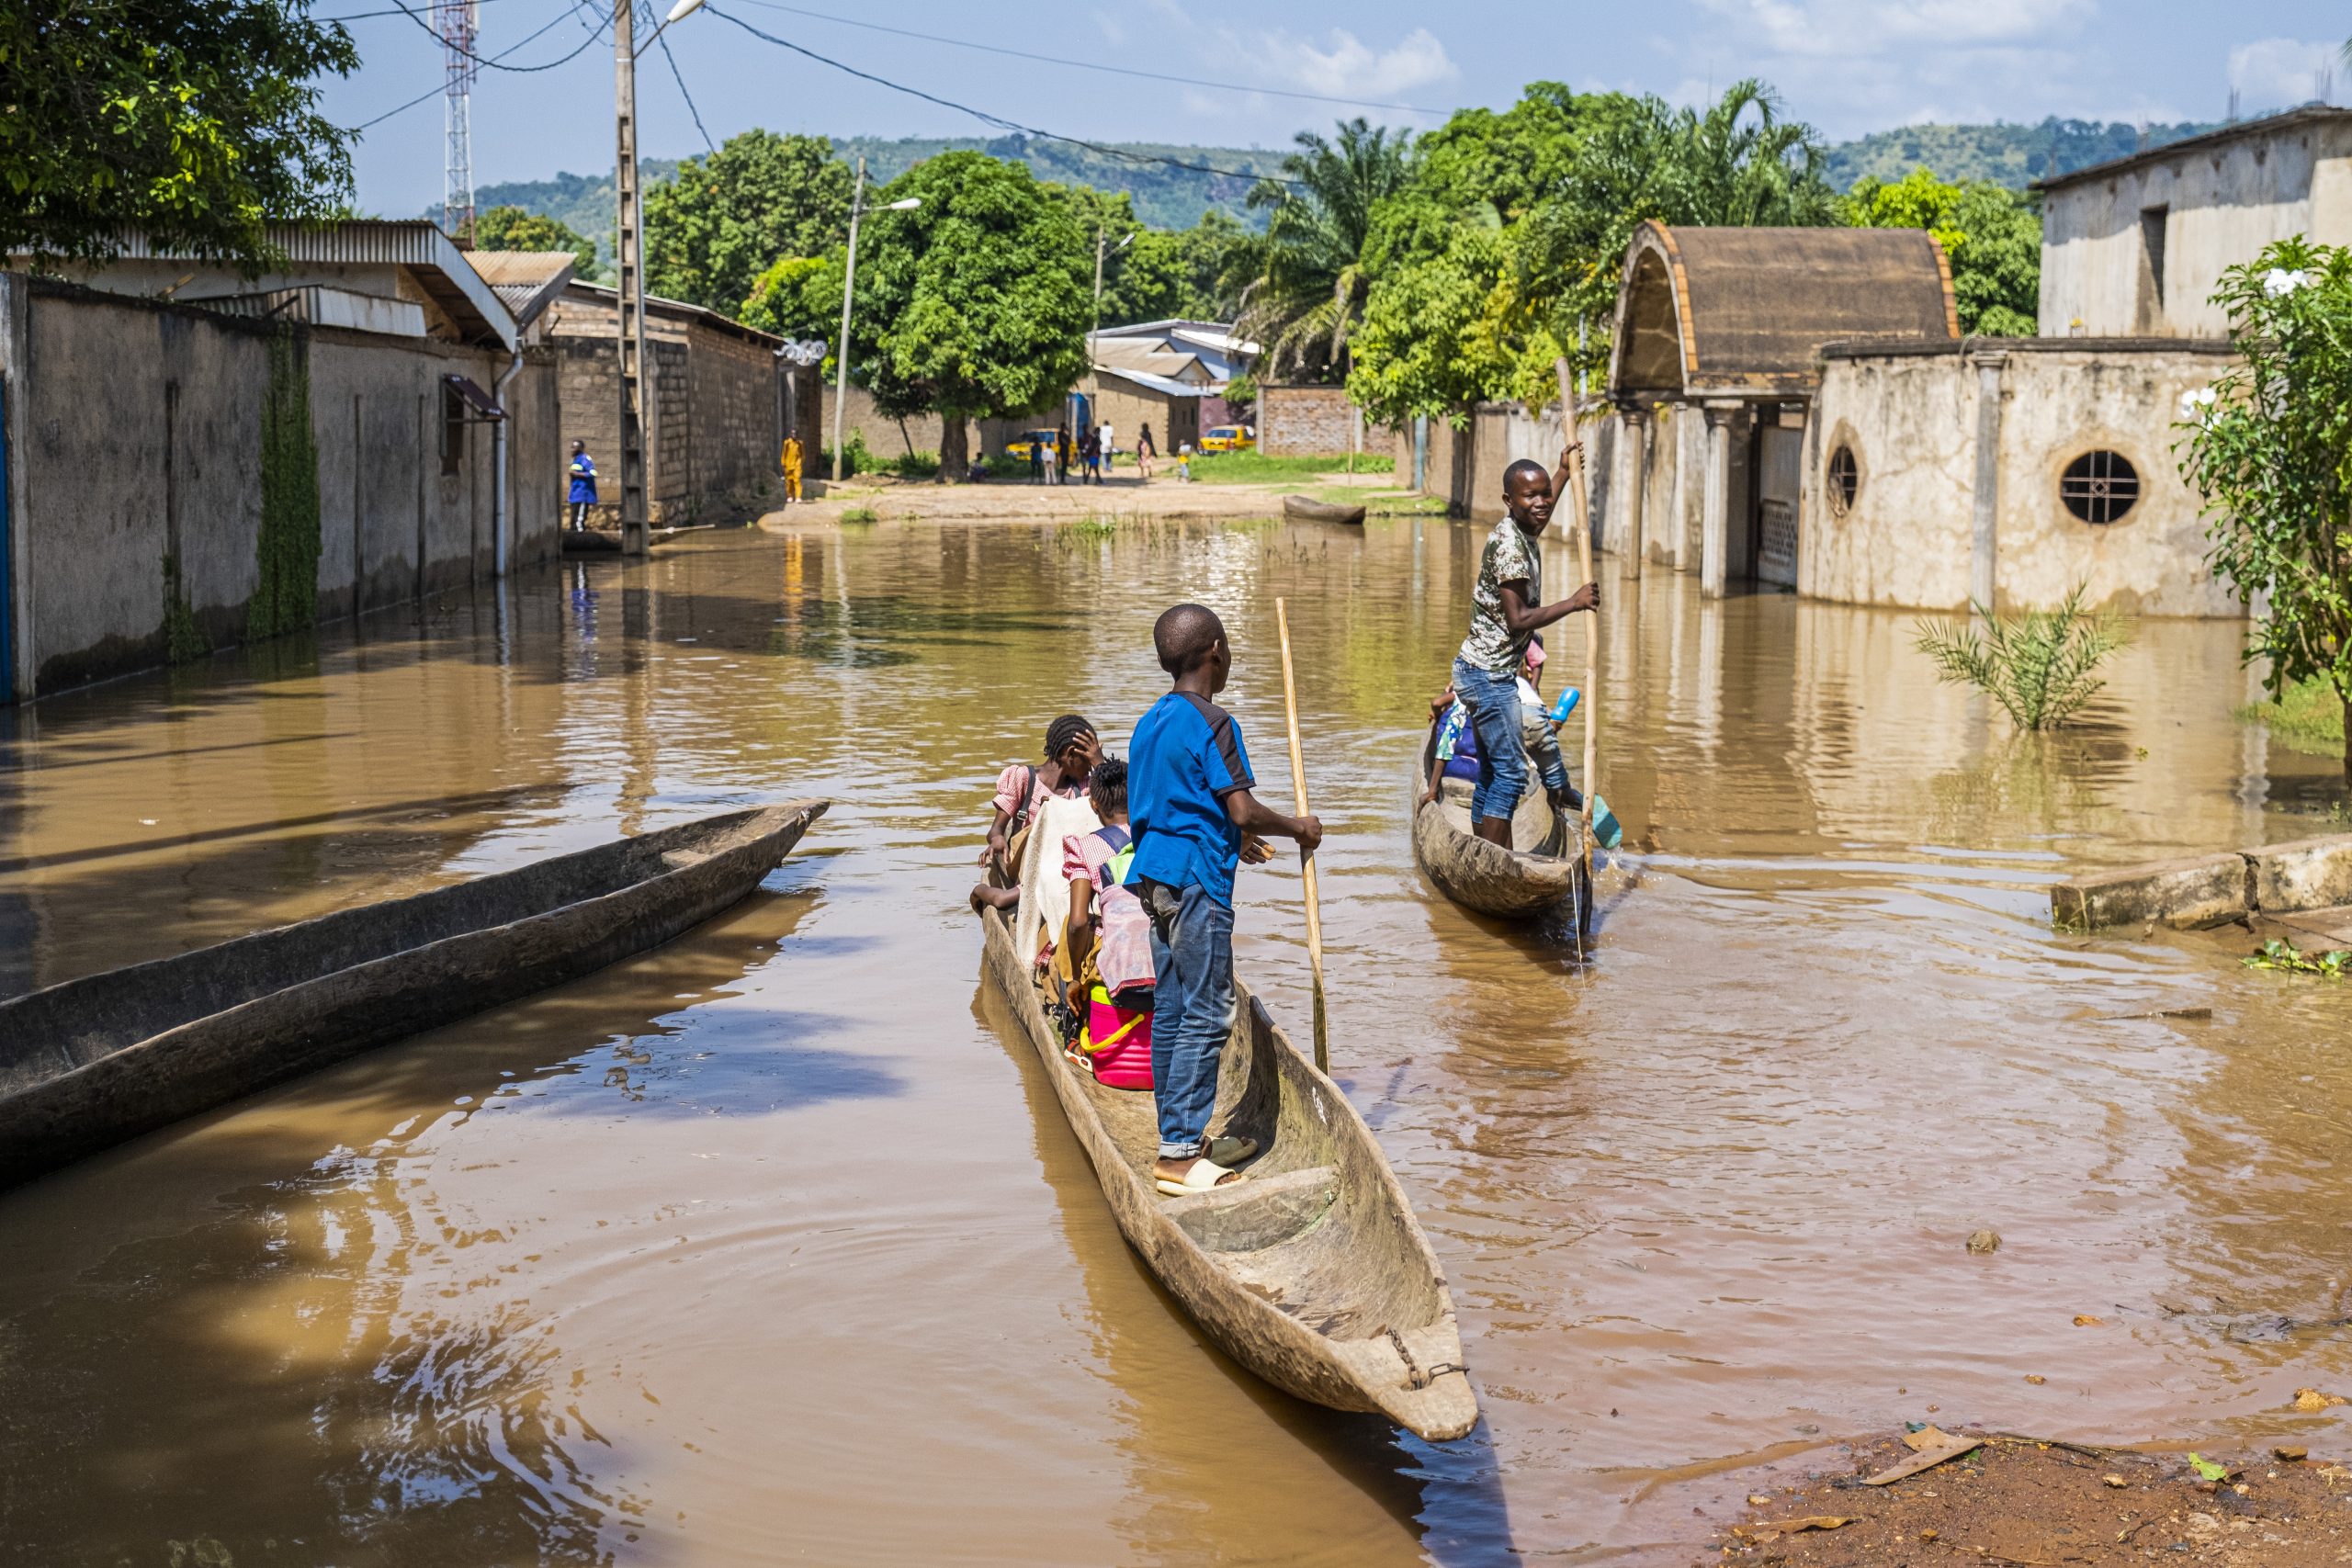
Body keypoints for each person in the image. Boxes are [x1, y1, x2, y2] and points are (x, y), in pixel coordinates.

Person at [1129, 604, 1321, 1194]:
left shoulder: (1149, 723)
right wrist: (1297, 827)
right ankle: (1180, 1156)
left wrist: (1234, 839)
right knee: (1209, 1013)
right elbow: (1239, 806)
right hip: (1195, 882)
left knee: (1174, 1007)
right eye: (1229, 646)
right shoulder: (1214, 721)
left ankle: (1177, 1136)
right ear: (1215, 649)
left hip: (1154, 878)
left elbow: (1171, 806)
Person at [1451, 453, 1599, 850]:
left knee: (1492, 772)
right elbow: (1518, 620)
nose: (1541, 503)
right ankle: (1499, 860)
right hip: (1488, 676)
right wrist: (1574, 602)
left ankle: (1484, 852)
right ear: (1508, 501)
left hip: (1480, 670)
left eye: (1545, 495)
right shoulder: (1510, 547)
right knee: (1512, 774)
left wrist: (1564, 472)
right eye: (1529, 497)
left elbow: (1541, 514)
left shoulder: (1522, 531)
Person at [1059, 757, 1154, 1089]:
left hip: (1117, 963)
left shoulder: (1084, 847)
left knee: (1065, 936)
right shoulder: (1161, 838)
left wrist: (1072, 978)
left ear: (1094, 803)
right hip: (1168, 954)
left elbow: (1079, 922)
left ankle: (1074, 1031)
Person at [970, 715, 1102, 913]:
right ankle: (983, 891)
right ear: (1071, 754)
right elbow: (997, 828)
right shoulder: (1023, 779)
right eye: (1087, 760)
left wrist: (1099, 761)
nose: (1090, 767)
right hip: (1029, 870)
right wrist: (997, 839)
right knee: (1004, 901)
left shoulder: (1083, 789)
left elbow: (1114, 800)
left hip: (1063, 867)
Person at [566, 441, 596, 530]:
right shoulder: (575, 460)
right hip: (575, 494)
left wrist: (577, 474)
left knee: (579, 521)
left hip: (582, 494)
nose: (572, 449)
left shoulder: (584, 459)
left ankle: (580, 538)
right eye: (572, 447)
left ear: (580, 449)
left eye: (574, 447)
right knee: (573, 519)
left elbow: (593, 472)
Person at [779, 434, 804, 505]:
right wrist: (783, 463)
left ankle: (798, 497)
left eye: (795, 434)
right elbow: (784, 453)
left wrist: (799, 463)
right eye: (793, 434)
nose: (794, 435)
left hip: (796, 466)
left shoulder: (799, 443)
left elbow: (802, 454)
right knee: (789, 482)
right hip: (788, 465)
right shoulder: (787, 443)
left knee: (797, 480)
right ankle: (790, 496)